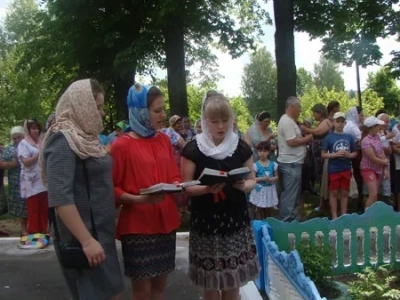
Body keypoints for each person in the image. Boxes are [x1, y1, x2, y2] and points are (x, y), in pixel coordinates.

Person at [42, 79, 124, 300]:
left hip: (100, 236)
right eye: (97, 106)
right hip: (83, 240)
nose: (102, 112)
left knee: (112, 293)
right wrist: (87, 241)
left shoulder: (87, 138)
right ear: (82, 105)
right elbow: (60, 198)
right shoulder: (62, 139)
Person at [181, 90, 259, 300]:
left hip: (235, 222)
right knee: (210, 283)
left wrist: (245, 186)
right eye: (215, 121)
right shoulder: (193, 149)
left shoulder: (240, 147)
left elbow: (253, 180)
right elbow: (186, 186)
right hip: (206, 224)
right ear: (205, 121)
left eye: (225, 120)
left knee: (233, 282)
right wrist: (206, 189)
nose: (221, 126)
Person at [110, 83, 181, 300]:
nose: (163, 115)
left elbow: (174, 175)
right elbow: (111, 189)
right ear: (141, 111)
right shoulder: (121, 145)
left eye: (163, 110)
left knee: (159, 289)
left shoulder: (163, 140)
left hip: (166, 223)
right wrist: (140, 200)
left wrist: (179, 186)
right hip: (138, 227)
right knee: (142, 292)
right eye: (157, 111)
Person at [277, 97, 313, 222]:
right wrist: (306, 139)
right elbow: (291, 141)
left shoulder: (289, 121)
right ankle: (286, 220)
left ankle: (292, 218)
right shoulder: (287, 122)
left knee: (294, 193)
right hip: (290, 163)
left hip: (294, 162)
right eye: (299, 107)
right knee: (290, 194)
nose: (300, 110)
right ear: (292, 107)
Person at [321, 112, 357, 219]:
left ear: (345, 123)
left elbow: (355, 152)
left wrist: (349, 155)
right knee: (334, 192)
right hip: (334, 169)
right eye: (338, 121)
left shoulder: (349, 137)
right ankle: (334, 216)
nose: (340, 124)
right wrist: (335, 154)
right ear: (333, 122)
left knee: (345, 192)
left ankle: (344, 215)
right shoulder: (329, 137)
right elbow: (323, 154)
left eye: (342, 122)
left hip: (346, 168)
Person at [18, 119, 48, 234]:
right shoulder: (23, 144)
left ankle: (43, 231)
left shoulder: (41, 142)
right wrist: (38, 155)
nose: (35, 131)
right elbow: (25, 161)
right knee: (33, 209)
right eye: (33, 128)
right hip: (31, 181)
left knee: (43, 207)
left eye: (37, 128)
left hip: (43, 180)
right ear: (27, 130)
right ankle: (34, 232)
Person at [0, 126, 27, 235]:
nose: (16, 140)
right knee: (19, 205)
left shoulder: (29, 144)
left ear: (23, 136)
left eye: (19, 137)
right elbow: (2, 164)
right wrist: (15, 163)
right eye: (14, 138)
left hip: (30, 181)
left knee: (29, 204)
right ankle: (23, 228)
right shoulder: (9, 148)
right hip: (16, 182)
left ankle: (31, 226)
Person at [360, 116, 389, 208]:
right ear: (373, 127)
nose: (379, 127)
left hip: (377, 168)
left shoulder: (377, 137)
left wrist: (385, 168)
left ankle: (373, 216)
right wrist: (385, 162)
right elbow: (373, 158)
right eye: (378, 125)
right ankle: (366, 217)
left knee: (375, 195)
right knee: (373, 193)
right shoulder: (366, 141)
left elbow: (381, 152)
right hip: (368, 169)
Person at [248, 141, 279, 219]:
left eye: (264, 151)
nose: (262, 153)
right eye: (260, 151)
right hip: (260, 190)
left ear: (268, 152)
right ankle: (259, 224)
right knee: (259, 208)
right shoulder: (256, 165)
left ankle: (269, 223)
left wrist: (273, 179)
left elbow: (277, 176)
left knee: (269, 208)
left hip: (269, 189)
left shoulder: (273, 164)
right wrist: (262, 178)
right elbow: (253, 178)